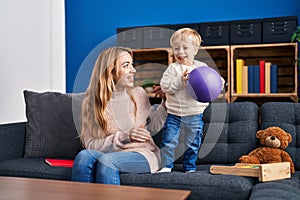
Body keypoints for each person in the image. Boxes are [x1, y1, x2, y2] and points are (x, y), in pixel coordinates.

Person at [71, 47, 167, 184]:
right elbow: (91, 146)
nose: (133, 70)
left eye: (132, 64)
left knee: (107, 161)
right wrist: (125, 137)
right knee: (83, 156)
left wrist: (166, 101)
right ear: (110, 71)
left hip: (144, 155)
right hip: (113, 155)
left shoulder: (139, 94)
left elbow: (154, 126)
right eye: (126, 65)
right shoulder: (91, 103)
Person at [158, 28, 224, 173]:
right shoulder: (173, 69)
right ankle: (167, 166)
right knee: (169, 141)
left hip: (194, 114)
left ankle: (189, 168)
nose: (180, 52)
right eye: (176, 48)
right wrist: (180, 81)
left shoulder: (202, 67)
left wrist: (219, 82)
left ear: (195, 49)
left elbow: (214, 80)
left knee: (193, 143)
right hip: (174, 114)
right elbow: (165, 86)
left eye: (185, 47)